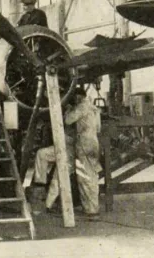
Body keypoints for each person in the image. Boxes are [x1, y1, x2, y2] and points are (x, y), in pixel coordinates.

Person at [65, 87, 101, 217]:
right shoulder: (93, 107)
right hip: (92, 142)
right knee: (85, 176)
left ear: (78, 96)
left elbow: (68, 120)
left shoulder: (82, 107)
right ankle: (89, 208)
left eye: (74, 97)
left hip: (85, 144)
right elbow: (98, 128)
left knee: (87, 178)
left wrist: (68, 109)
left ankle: (92, 209)